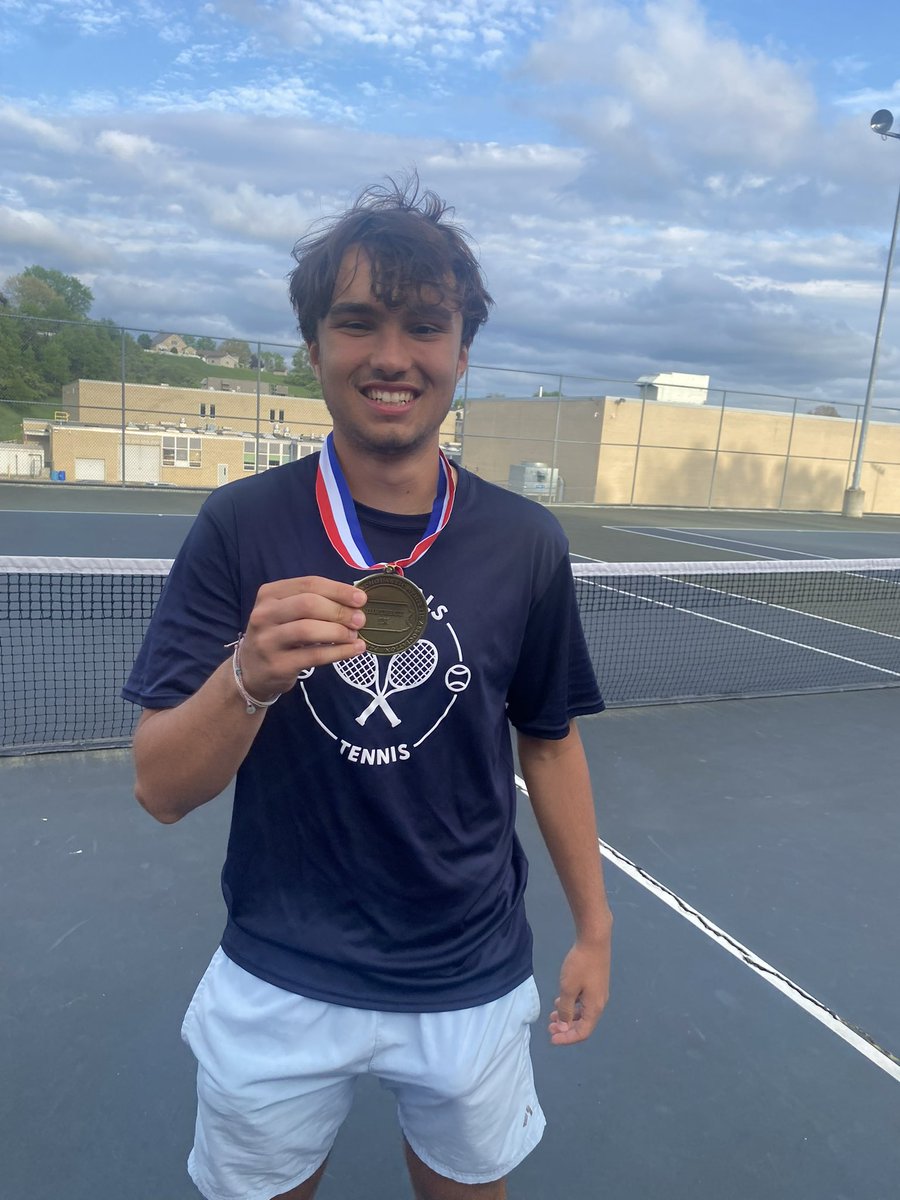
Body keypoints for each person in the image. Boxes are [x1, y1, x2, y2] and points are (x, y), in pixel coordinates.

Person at [124, 175, 612, 1200]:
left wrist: (595, 932)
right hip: (280, 974)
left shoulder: (527, 542)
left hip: (469, 977)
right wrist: (246, 679)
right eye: (358, 323)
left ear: (462, 353)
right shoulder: (240, 525)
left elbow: (551, 739)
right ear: (313, 349)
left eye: (425, 326)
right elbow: (161, 788)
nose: (393, 355)